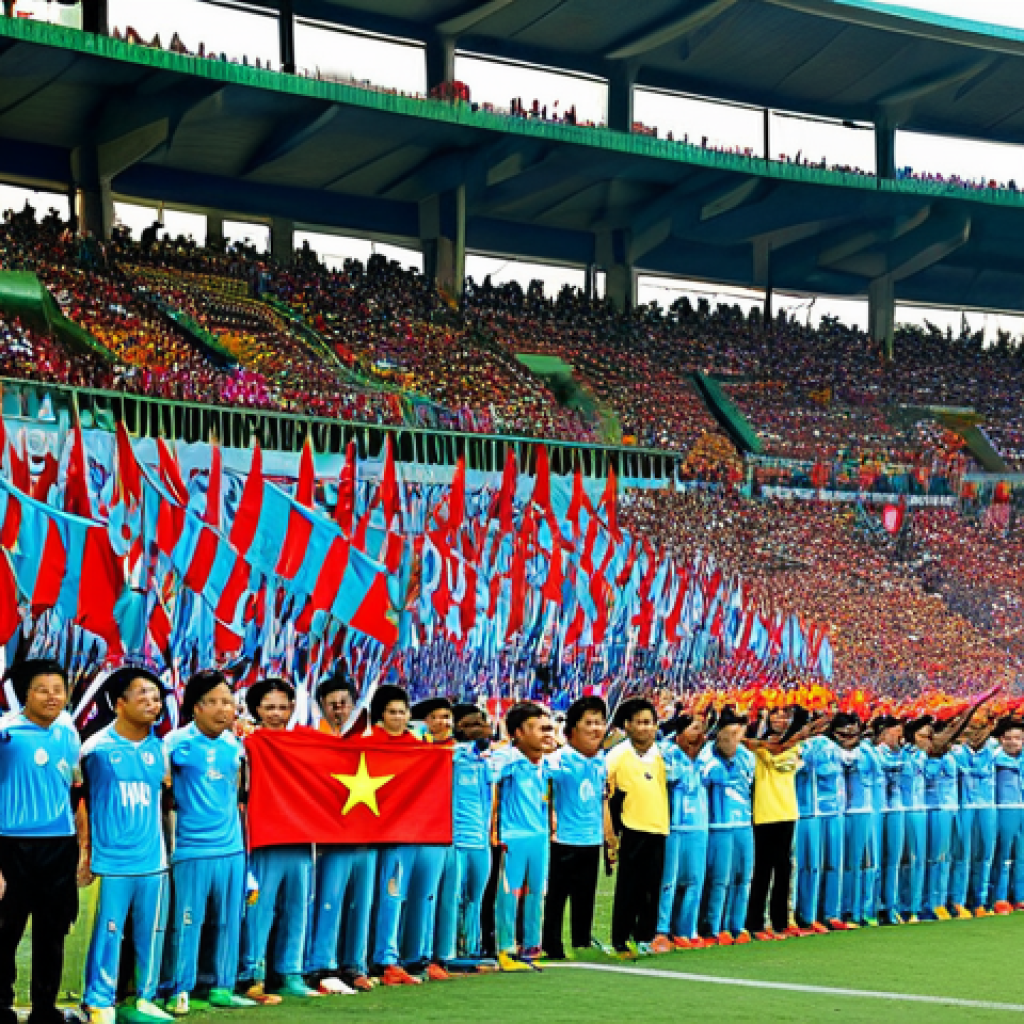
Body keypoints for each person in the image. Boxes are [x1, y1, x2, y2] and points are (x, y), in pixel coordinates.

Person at [80, 666, 173, 1024]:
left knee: (150, 934)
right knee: (109, 934)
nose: (152, 701)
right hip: (111, 861)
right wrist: (85, 853)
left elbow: (164, 802)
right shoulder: (96, 749)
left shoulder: (160, 748)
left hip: (153, 859)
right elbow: (80, 804)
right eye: (143, 694)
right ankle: (98, 1001)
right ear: (119, 703)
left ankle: (144, 998)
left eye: (156, 694)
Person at [162, 671, 255, 1014]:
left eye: (228, 702)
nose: (222, 709)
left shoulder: (237, 745)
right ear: (195, 707)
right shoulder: (174, 743)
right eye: (213, 702)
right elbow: (163, 796)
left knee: (231, 921)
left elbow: (240, 796)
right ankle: (179, 988)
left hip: (231, 849)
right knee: (188, 921)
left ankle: (223, 986)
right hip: (192, 848)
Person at [0, 659, 82, 1024]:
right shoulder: (6, 734)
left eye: (58, 689)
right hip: (11, 846)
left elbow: (76, 791)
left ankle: (44, 1011)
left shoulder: (68, 732)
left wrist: (83, 846)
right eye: (42, 689)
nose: (52, 697)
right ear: (24, 695)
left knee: (53, 932)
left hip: (59, 846)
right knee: (5, 932)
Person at [238, 679, 318, 1002]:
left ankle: (290, 972)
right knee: (260, 907)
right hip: (265, 836)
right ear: (256, 709)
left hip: (300, 835)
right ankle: (251, 973)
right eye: (269, 707)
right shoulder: (248, 742)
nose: (277, 713)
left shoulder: (305, 741)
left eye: (283, 706)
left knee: (297, 908)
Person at [307, 672, 374, 994]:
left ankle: (355, 964)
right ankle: (322, 965)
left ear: (354, 705)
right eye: (331, 704)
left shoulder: (369, 743)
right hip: (330, 838)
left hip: (367, 836)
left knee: (360, 903)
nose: (338, 709)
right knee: (328, 901)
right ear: (321, 707)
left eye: (344, 703)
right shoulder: (313, 741)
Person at [542, 696, 609, 960]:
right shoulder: (559, 760)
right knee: (556, 898)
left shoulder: (602, 762)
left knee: (586, 896)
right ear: (572, 730)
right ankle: (551, 944)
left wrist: (608, 836)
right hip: (563, 840)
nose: (596, 729)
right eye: (589, 723)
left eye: (600, 723)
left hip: (591, 839)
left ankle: (582, 941)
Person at [369, 685, 427, 986]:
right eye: (392, 711)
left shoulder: (417, 747)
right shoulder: (366, 744)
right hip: (366, 832)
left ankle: (387, 959)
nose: (398, 717)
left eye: (403, 711)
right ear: (380, 714)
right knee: (363, 897)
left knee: (393, 894)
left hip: (402, 833)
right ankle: (355, 959)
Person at [746, 705, 820, 940]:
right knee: (762, 871)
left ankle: (781, 921)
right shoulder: (756, 746)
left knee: (784, 869)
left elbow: (781, 755)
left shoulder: (794, 748)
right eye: (775, 714)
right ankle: (757, 922)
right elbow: (774, 751)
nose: (781, 719)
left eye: (785, 715)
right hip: (764, 813)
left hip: (787, 812)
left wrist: (796, 739)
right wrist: (795, 736)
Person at [494, 702, 555, 972]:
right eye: (536, 728)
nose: (544, 733)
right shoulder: (508, 760)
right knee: (510, 893)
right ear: (518, 732)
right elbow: (490, 780)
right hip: (513, 836)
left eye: (547, 728)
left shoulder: (546, 764)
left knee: (537, 892)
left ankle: (532, 945)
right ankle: (505, 948)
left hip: (539, 837)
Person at [607, 698, 669, 957]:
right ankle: (620, 940)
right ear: (627, 726)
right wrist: (611, 834)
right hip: (631, 829)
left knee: (652, 887)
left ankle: (644, 937)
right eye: (639, 723)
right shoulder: (617, 756)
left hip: (658, 827)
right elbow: (608, 797)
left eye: (649, 723)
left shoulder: (662, 755)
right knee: (628, 888)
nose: (645, 728)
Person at [401, 698, 455, 981]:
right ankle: (413, 956)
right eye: (434, 717)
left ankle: (439, 955)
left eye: (446, 716)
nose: (441, 722)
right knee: (418, 895)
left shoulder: (461, 752)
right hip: (422, 832)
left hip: (452, 834)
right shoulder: (417, 751)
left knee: (444, 897)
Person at [440, 704, 497, 968]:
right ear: (459, 728)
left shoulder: (487, 760)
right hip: (456, 840)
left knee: (476, 897)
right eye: (473, 724)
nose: (481, 730)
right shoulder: (451, 757)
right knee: (453, 897)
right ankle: (448, 948)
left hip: (481, 840)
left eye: (483, 724)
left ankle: (471, 947)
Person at [699, 707, 755, 945]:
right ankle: (714, 926)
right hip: (718, 826)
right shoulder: (707, 759)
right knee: (719, 879)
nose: (731, 741)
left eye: (736, 734)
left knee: (743, 877)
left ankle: (737, 924)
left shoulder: (747, 757)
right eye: (726, 735)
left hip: (744, 823)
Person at [654, 711, 708, 950]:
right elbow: (667, 778)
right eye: (695, 728)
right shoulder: (666, 752)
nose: (701, 733)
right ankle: (662, 930)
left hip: (699, 824)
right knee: (669, 880)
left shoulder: (706, 755)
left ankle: (687, 929)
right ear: (681, 732)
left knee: (695, 880)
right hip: (674, 824)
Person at [794, 715, 846, 932]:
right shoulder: (798, 747)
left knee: (833, 863)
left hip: (833, 811)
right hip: (808, 811)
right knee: (809, 866)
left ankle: (830, 912)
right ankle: (807, 913)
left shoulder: (833, 746)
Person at [951, 715, 997, 917]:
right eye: (971, 728)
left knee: (985, 854)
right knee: (963, 855)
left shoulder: (994, 751)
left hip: (988, 807)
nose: (976, 733)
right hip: (965, 807)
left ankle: (980, 901)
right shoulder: (956, 753)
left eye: (981, 728)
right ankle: (958, 900)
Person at [873, 715, 907, 926]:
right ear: (883, 733)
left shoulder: (904, 753)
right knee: (876, 861)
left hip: (896, 808)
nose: (900, 737)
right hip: (876, 810)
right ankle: (873, 906)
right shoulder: (873, 753)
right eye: (896, 732)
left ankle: (891, 906)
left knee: (894, 860)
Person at [991, 718, 1024, 914]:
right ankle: (1000, 897)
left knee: (1022, 855)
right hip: (1004, 808)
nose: (1013, 742)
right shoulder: (995, 758)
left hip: (1023, 808)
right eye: (1009, 738)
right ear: (1001, 739)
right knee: (1003, 855)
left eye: (1018, 738)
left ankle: (1020, 896)